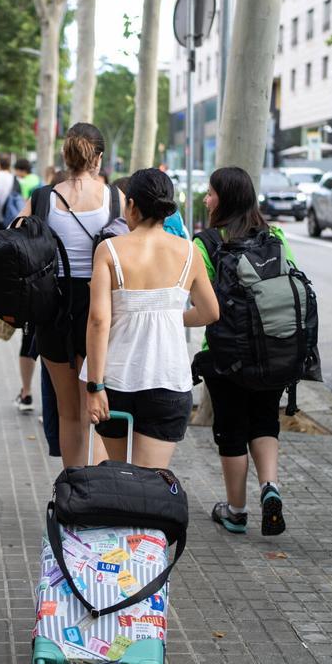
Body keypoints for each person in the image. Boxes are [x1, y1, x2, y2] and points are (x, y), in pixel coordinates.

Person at [83, 169, 219, 469]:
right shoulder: (189, 251)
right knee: (150, 485)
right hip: (168, 380)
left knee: (122, 475)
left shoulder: (109, 250)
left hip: (116, 382)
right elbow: (211, 312)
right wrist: (171, 317)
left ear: (131, 205)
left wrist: (94, 387)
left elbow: (97, 321)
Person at [14, 123, 127, 468]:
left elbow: (12, 241)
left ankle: (73, 494)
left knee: (67, 413)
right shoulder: (115, 198)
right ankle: (96, 494)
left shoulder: (42, 197)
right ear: (99, 158)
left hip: (52, 310)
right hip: (101, 310)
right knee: (92, 410)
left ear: (65, 154)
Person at [196, 166, 297, 536]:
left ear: (225, 198)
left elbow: (204, 303)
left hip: (225, 354)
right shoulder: (276, 235)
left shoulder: (205, 243)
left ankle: (236, 511)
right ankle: (270, 486)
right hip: (273, 347)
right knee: (265, 419)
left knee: (232, 430)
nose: (205, 199)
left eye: (210, 193)